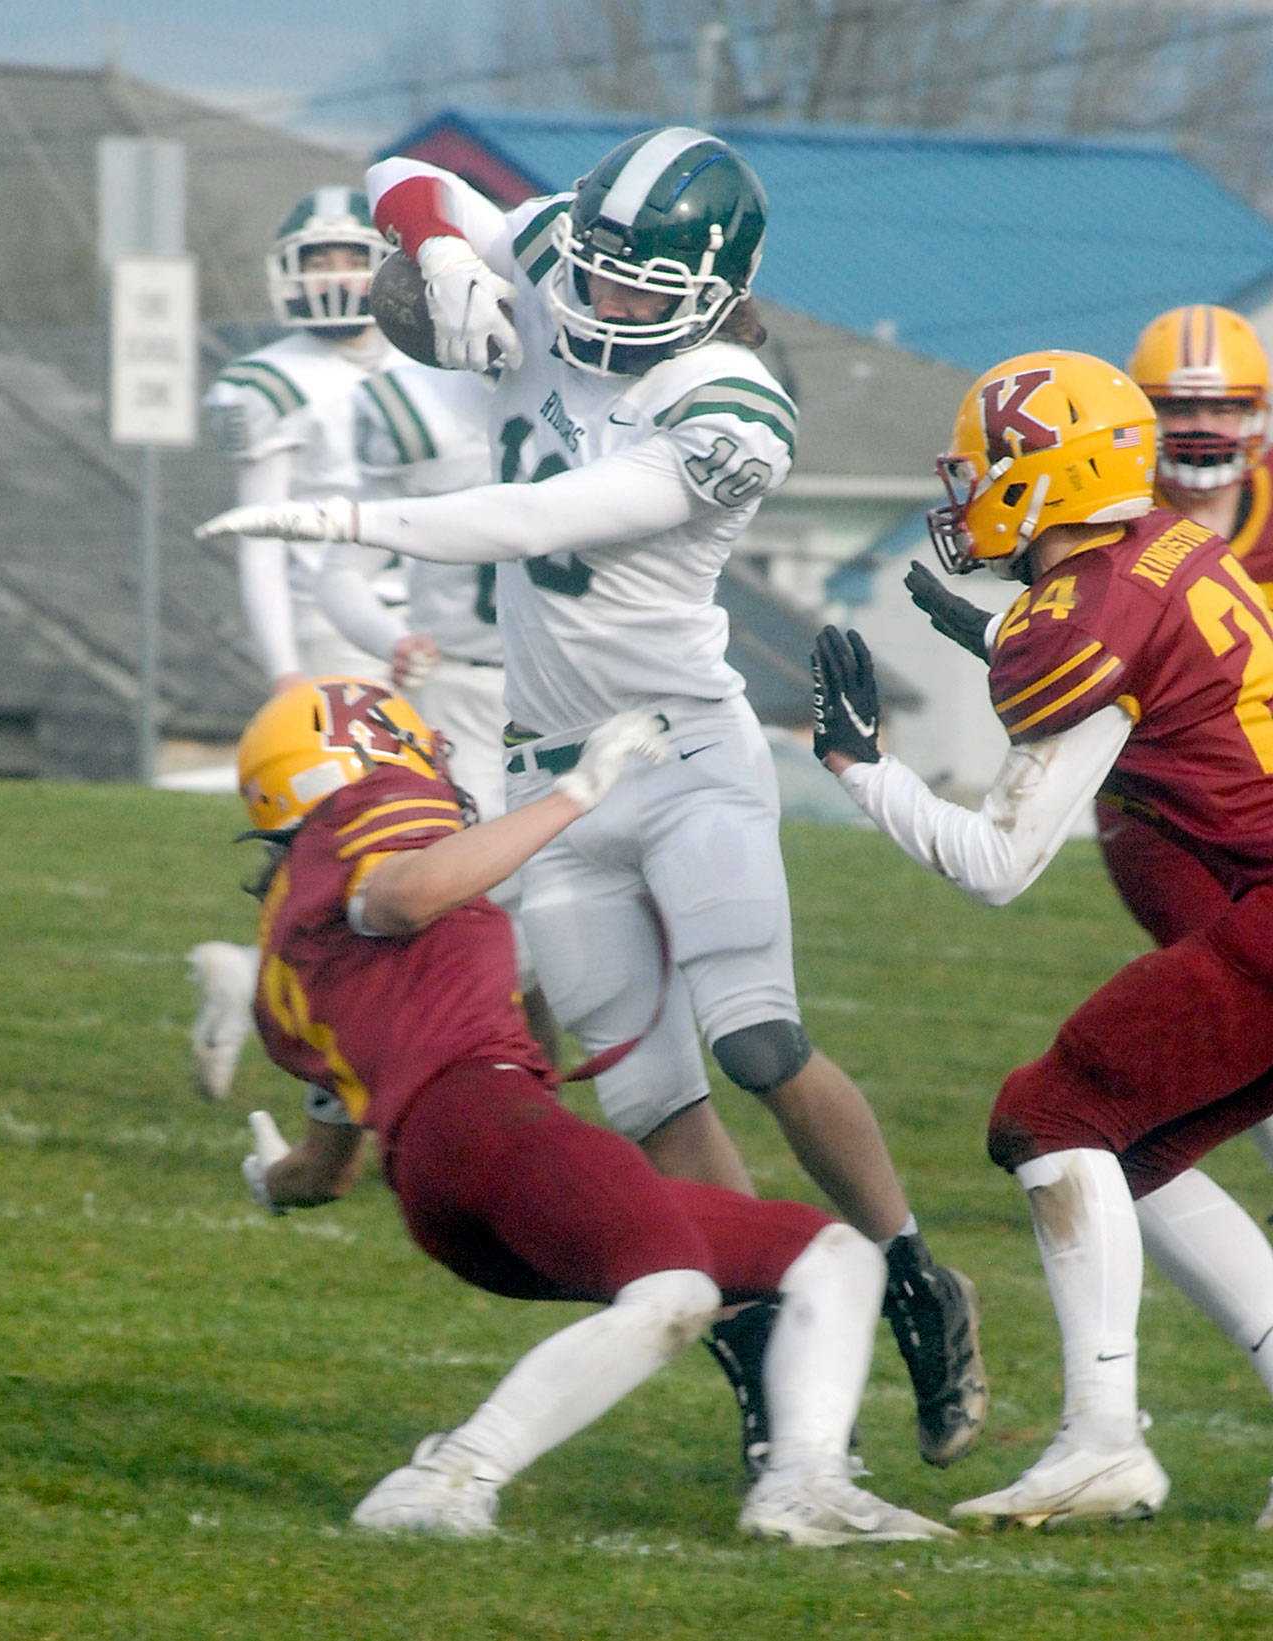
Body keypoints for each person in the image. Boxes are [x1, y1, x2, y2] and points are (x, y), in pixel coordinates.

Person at [195, 124, 988, 1476]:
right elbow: (400, 176)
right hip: (542, 760)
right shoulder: (571, 247)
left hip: (681, 751)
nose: (601, 295)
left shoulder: (734, 408)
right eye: (599, 267)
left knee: (756, 1043)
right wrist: (439, 246)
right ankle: (776, 1359)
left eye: (638, 283)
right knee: (649, 1099)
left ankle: (914, 1273)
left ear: (712, 288)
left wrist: (345, 521)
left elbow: (534, 521)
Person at [229, 673, 953, 1545]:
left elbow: (325, 1167)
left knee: (829, 1255)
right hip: (485, 1120)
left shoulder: (290, 939)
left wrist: (273, 1183)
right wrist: (578, 790)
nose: (430, 757)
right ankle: (447, 1475)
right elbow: (400, 895)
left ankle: (806, 1482)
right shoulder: (373, 809)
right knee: (674, 1288)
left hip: (443, 1176)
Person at [815, 347, 1273, 1529]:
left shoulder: (1088, 615)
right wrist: (1003, 637)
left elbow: (995, 865)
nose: (966, 492)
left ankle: (1100, 1440)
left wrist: (860, 769)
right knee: (1131, 1148)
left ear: (1041, 477)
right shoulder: (1169, 544)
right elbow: (1164, 679)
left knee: (1051, 1114)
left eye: (982, 470)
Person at [909, 305, 1273, 1179]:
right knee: (1163, 1090)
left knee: (1073, 1111)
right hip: (1160, 811)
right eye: (1177, 407)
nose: (1200, 427)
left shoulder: (1129, 550)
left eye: (1224, 405)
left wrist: (860, 766)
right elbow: (1130, 643)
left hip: (1238, 819)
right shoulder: (1154, 533)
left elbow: (1116, 640)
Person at [189, 187, 404, 1102]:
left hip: (439, 624)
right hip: (336, 631)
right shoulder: (271, 381)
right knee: (357, 848)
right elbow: (261, 536)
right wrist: (285, 667)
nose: (336, 275)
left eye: (351, 255)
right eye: (318, 260)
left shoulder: (430, 359)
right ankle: (305, 1019)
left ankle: (258, 981)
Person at [313, 362, 555, 1055]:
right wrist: (391, 639)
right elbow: (342, 573)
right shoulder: (417, 406)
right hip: (461, 698)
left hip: (572, 694)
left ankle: (533, 1090)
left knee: (559, 919)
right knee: (465, 907)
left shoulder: (608, 395)